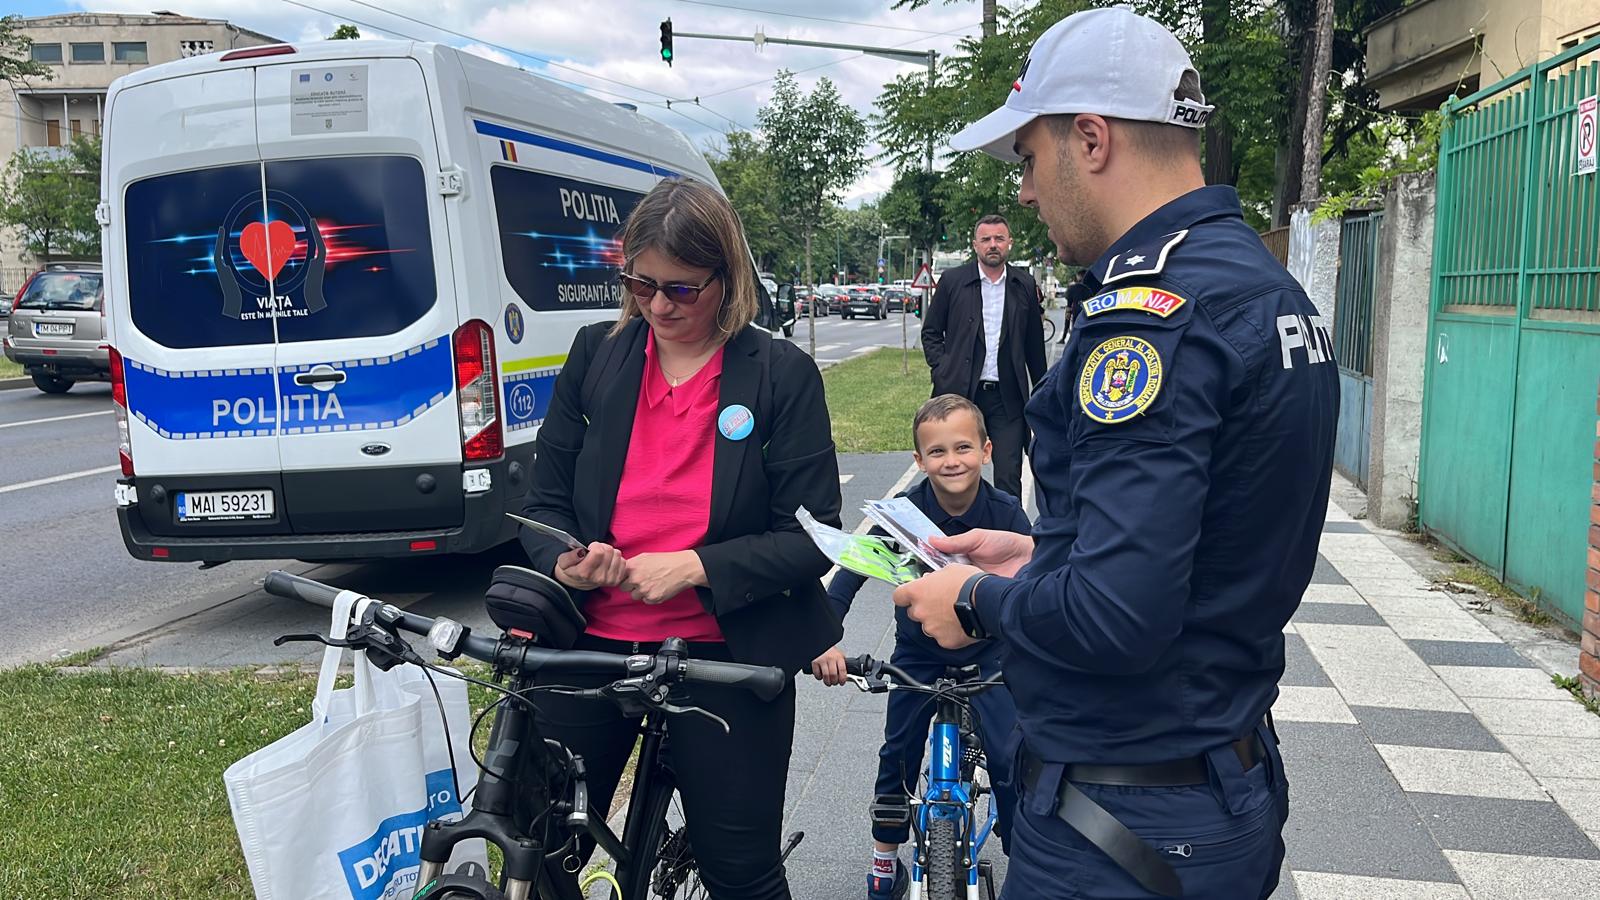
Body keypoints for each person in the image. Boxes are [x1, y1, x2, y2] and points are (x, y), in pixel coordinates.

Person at [890, 8, 1339, 900]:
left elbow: (1119, 618)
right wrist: (1033, 556)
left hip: (1126, 820)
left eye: (1027, 160)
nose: (1023, 193)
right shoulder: (1255, 281)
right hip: (1212, 779)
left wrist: (976, 598)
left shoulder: (1151, 321)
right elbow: (1196, 543)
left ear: (1089, 139)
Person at [515, 177, 844, 900]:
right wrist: (568, 562)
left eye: (681, 290)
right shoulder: (596, 356)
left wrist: (696, 566)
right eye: (640, 283)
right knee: (537, 851)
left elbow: (816, 538)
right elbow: (545, 500)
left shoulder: (779, 374)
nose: (657, 305)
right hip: (589, 640)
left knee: (740, 872)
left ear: (727, 282)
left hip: (727, 652)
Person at [809, 394, 1026, 900]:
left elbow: (1034, 583)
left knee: (1013, 756)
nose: (952, 461)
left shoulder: (1006, 513)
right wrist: (823, 635)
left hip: (988, 657)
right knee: (898, 751)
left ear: (988, 450)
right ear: (917, 461)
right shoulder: (902, 514)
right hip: (918, 657)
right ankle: (885, 858)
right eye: (937, 452)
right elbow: (851, 573)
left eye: (964, 447)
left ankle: (1027, 858)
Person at [920, 214, 1047, 500]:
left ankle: (1009, 535)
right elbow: (931, 332)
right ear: (975, 245)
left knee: (1008, 473)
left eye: (999, 239)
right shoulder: (954, 281)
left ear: (1009, 244)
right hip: (961, 393)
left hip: (1007, 397)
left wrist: (1041, 392)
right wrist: (942, 369)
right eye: (986, 239)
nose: (993, 245)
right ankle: (955, 531)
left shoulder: (1023, 284)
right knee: (956, 470)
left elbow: (1034, 347)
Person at [1057, 269, 1090, 345]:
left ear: (1078, 276)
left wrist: (1068, 311)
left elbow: (1069, 301)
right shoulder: (1088, 288)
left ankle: (1065, 338)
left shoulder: (1073, 288)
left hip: (1075, 309)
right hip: (1086, 309)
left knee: (1070, 323)